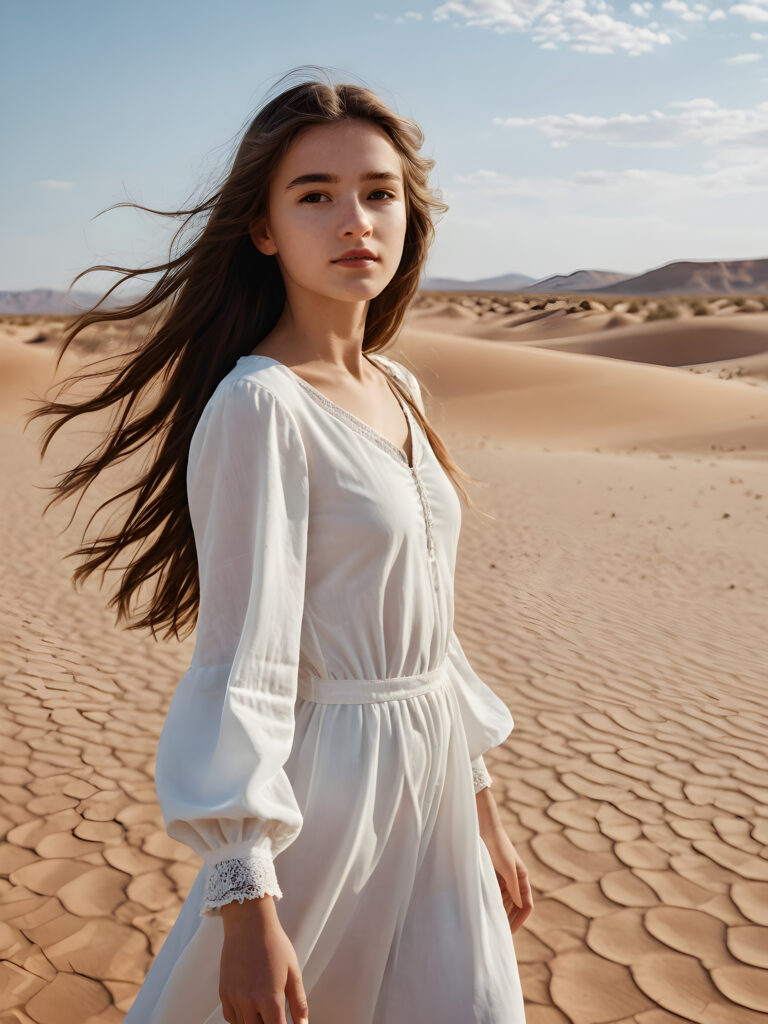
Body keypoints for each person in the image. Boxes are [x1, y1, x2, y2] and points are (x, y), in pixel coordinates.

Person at [29, 67, 533, 1024]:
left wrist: (484, 818)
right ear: (264, 230)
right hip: (329, 802)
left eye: (378, 193)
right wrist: (245, 905)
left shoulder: (400, 387)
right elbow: (241, 664)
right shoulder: (261, 406)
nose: (356, 221)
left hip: (433, 794)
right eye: (316, 196)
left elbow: (432, 635)